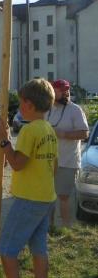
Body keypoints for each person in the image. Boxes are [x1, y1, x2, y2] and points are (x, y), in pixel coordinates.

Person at [0, 78, 57, 278]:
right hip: (45, 196)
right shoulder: (48, 129)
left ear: (28, 104)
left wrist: (4, 140)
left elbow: (17, 164)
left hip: (29, 198)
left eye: (20, 102)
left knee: (7, 248)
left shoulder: (30, 130)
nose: (18, 106)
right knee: (39, 247)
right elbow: (53, 165)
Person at [46, 79, 89, 226]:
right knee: (47, 196)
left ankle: (66, 229)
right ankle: (49, 228)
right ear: (53, 92)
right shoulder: (47, 109)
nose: (66, 93)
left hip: (68, 161)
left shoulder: (75, 109)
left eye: (67, 90)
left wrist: (63, 134)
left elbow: (84, 134)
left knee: (63, 196)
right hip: (47, 161)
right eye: (62, 90)